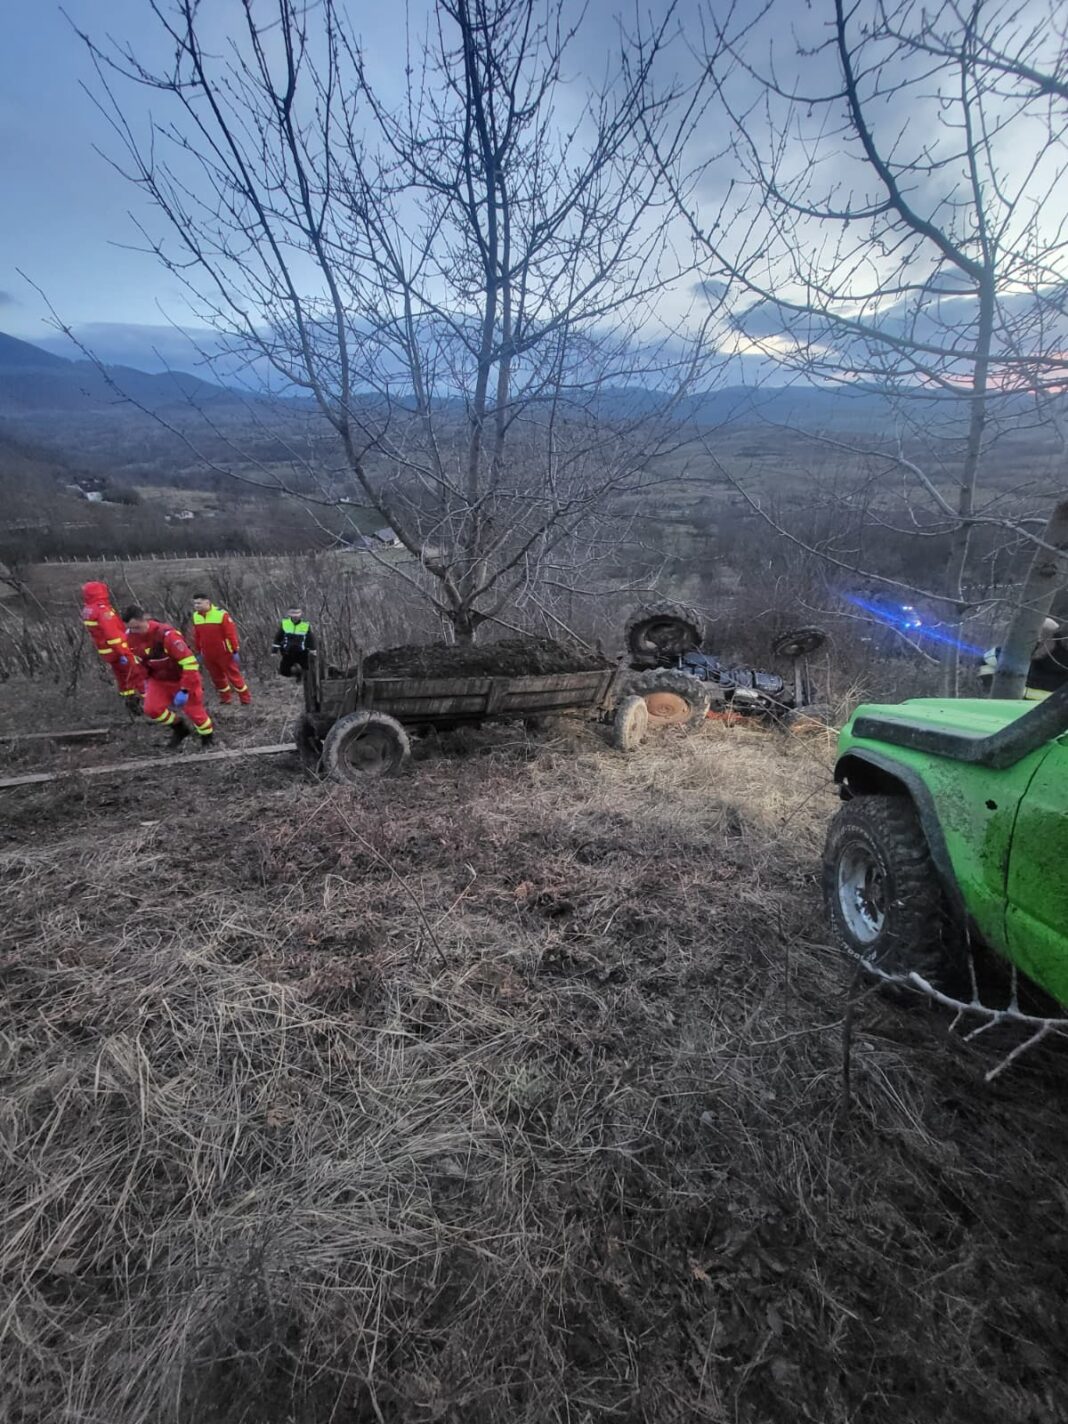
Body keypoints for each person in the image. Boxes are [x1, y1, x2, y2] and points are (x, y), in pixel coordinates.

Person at [123, 606, 214, 748]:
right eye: (131, 628)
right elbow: (138, 663)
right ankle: (180, 729)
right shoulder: (130, 637)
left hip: (182, 678)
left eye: (137, 627)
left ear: (145, 619)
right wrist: (143, 683)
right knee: (152, 709)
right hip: (159, 679)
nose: (135, 632)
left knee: (195, 713)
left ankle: (207, 738)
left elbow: (189, 664)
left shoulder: (166, 635)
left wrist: (184, 690)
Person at [80, 580, 146, 713]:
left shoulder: (88, 609)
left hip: (107, 652)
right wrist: (125, 652)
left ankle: (130, 702)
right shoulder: (102, 610)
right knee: (137, 673)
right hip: (117, 650)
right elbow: (113, 634)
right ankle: (150, 702)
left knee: (123, 677)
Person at [978, 617, 1068, 700]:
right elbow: (987, 660)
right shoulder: (1013, 652)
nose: (1035, 644)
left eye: (1039, 642)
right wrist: (991, 684)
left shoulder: (1061, 666)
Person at [190, 595, 251, 706]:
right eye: (195, 604)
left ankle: (245, 699)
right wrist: (198, 650)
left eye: (199, 603)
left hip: (224, 652)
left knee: (234, 676)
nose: (196, 606)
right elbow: (197, 635)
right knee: (217, 677)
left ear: (207, 602)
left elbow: (230, 634)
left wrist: (234, 650)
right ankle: (225, 698)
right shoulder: (196, 616)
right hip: (208, 654)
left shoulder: (221, 614)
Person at [272, 607, 316, 679]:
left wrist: (313, 650)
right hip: (288, 652)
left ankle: (300, 677)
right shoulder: (285, 624)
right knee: (284, 671)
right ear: (289, 614)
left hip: (301, 652)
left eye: (297, 614)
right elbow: (278, 638)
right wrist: (274, 651)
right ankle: (294, 676)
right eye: (293, 614)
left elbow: (310, 639)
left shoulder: (305, 625)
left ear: (300, 614)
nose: (295, 616)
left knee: (307, 670)